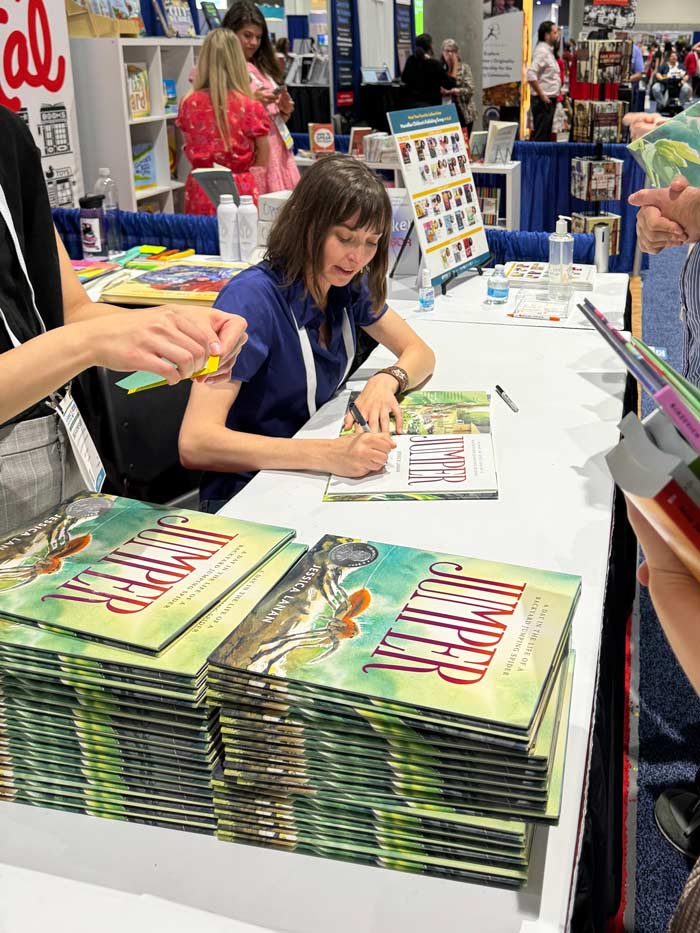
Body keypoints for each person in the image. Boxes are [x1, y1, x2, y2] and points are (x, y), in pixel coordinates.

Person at [0, 106, 247, 533]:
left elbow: (70, 310)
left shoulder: (8, 136)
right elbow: (79, 334)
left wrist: (177, 326)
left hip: (64, 445)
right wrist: (88, 343)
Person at [178, 155, 436, 512]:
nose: (357, 257)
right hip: (247, 494)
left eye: (371, 243)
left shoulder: (344, 283)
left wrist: (387, 379)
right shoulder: (250, 301)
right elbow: (196, 442)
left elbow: (420, 353)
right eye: (345, 238)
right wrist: (329, 454)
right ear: (308, 225)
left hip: (309, 477)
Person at [177, 29, 271, 214]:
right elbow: (263, 157)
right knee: (242, 239)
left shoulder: (188, 103)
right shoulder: (250, 106)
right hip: (240, 190)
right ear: (237, 60)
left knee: (200, 239)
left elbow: (187, 144)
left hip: (200, 187)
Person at [222, 1, 300, 195]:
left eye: (258, 37)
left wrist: (284, 109)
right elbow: (221, 114)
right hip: (254, 154)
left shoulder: (261, 66)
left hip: (279, 150)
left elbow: (274, 118)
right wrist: (250, 102)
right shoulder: (222, 69)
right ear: (230, 33)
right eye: (247, 36)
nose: (254, 43)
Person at [526, 21, 561, 142]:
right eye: (555, 32)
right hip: (543, 101)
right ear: (546, 35)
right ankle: (538, 161)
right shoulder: (542, 52)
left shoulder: (548, 52)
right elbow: (531, 75)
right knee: (541, 137)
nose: (557, 35)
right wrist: (543, 95)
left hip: (548, 100)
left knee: (545, 136)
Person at [401, 34, 456, 108]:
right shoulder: (435, 64)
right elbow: (450, 84)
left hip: (411, 107)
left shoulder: (410, 60)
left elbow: (404, 79)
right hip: (429, 110)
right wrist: (455, 64)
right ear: (430, 46)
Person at [441, 39, 477, 135]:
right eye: (446, 51)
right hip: (446, 113)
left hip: (463, 112)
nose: (449, 54)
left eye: (452, 51)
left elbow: (470, 90)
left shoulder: (464, 68)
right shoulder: (441, 68)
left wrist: (454, 91)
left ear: (457, 53)